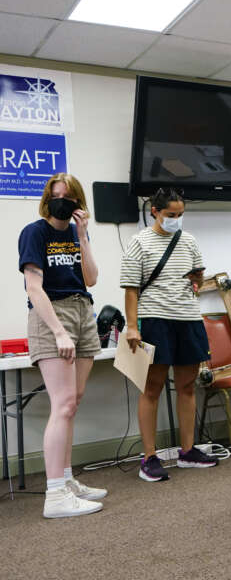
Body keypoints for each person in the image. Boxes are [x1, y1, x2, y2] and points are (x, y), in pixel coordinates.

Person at [18, 173, 105, 518]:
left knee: (74, 401)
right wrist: (58, 331)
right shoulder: (34, 232)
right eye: (56, 196)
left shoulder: (75, 232)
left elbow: (92, 278)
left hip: (84, 309)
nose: (62, 202)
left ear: (78, 202)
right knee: (63, 403)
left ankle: (66, 479)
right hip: (52, 314)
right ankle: (55, 495)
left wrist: (83, 236)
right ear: (47, 198)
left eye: (69, 197)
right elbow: (33, 288)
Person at [120, 187, 217, 481]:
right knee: (152, 388)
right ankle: (149, 457)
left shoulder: (189, 242)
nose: (176, 219)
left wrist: (196, 281)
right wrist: (132, 326)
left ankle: (187, 451)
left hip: (187, 318)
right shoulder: (139, 242)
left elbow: (197, 274)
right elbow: (131, 288)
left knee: (187, 386)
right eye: (171, 215)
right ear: (155, 212)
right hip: (154, 320)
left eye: (180, 215)